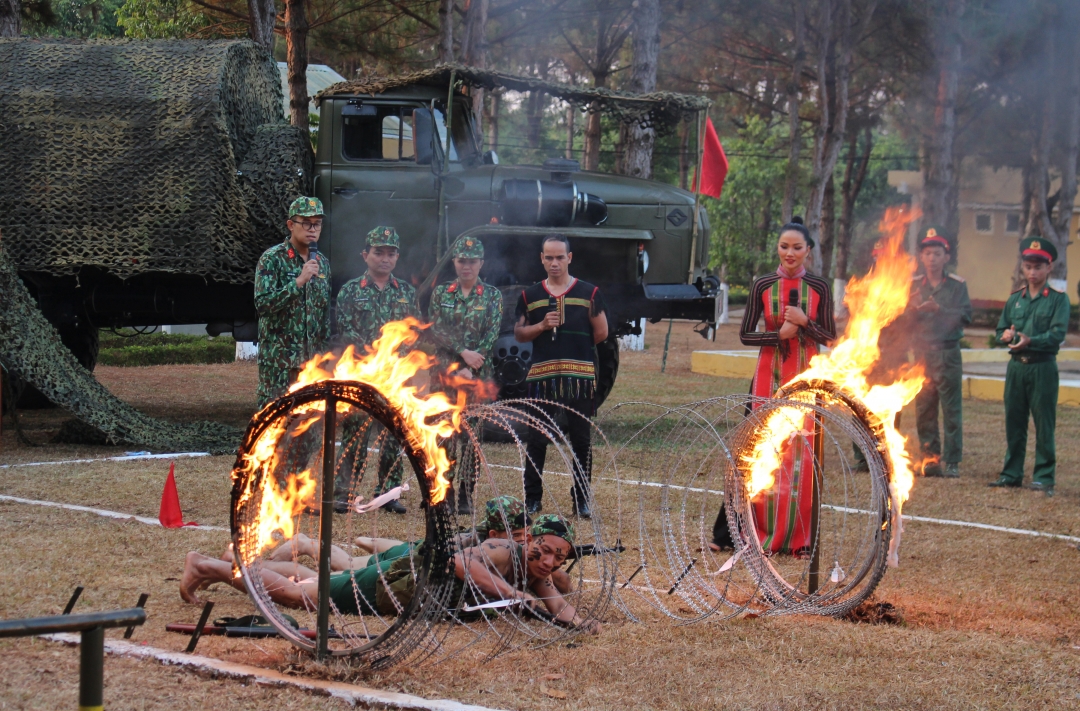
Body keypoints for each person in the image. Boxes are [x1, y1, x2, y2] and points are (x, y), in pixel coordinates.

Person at [739, 218, 835, 556]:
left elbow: (831, 338)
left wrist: (806, 323)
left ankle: (801, 539)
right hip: (768, 375)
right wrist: (778, 335)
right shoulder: (762, 285)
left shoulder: (820, 288)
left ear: (809, 251)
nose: (790, 253)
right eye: (784, 247)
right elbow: (745, 334)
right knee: (765, 451)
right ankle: (759, 536)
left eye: (797, 247)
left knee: (802, 456)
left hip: (805, 375)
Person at [514, 235, 609, 518]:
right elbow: (519, 333)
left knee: (580, 440)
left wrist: (575, 350)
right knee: (537, 438)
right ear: (541, 259)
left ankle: (581, 499)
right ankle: (532, 498)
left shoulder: (589, 293)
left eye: (559, 257)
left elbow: (601, 332)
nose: (554, 263)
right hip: (543, 377)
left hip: (578, 378)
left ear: (570, 257)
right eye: (549, 257)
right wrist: (542, 325)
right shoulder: (529, 296)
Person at [335, 226, 421, 514]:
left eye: (390, 253)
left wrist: (396, 360)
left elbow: (413, 331)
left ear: (397, 257)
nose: (384, 258)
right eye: (378, 252)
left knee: (391, 435)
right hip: (362, 374)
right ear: (365, 255)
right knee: (354, 435)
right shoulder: (350, 291)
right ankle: (343, 492)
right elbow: (346, 330)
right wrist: (375, 357)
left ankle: (389, 493)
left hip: (395, 378)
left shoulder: (407, 292)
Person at [427, 235, 503, 514]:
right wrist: (461, 353)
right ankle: (443, 493)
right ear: (454, 262)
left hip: (476, 379)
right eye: (461, 261)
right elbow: (436, 330)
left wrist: (471, 366)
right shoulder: (441, 293)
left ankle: (466, 496)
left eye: (472, 261)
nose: (466, 266)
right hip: (445, 376)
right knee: (444, 435)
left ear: (481, 263)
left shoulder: (493, 296)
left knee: (471, 437)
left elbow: (491, 334)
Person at [989, 237, 1070, 497]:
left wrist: (1030, 340)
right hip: (1017, 367)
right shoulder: (1015, 299)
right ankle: (1011, 474)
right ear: (1022, 268)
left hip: (1042, 367)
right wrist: (1004, 336)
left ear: (1049, 268)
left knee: (1044, 423)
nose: (1033, 272)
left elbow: (1057, 335)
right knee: (1014, 421)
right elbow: (1002, 328)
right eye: (1028, 266)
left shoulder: (1058, 300)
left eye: (1038, 267)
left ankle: (1044, 477)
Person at [253, 196, 331, 408]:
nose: (312, 228)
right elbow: (263, 304)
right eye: (306, 222)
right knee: (274, 428)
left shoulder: (322, 263)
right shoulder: (273, 258)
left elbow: (323, 316)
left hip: (312, 365)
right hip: (280, 364)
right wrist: (298, 283)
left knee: (310, 428)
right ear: (291, 225)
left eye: (317, 223)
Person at [909, 227, 972, 478]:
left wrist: (940, 309)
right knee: (924, 408)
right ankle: (930, 457)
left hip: (948, 353)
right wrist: (912, 309)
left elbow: (966, 316)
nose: (932, 258)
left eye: (937, 253)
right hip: (923, 354)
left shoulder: (957, 285)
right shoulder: (912, 286)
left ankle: (953, 459)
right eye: (927, 253)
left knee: (951, 408)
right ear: (921, 257)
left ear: (946, 257)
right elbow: (902, 320)